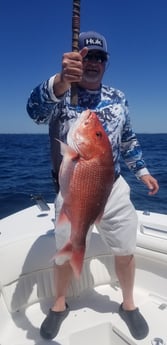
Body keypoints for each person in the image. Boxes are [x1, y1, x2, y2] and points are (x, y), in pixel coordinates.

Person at [27, 31, 159, 340]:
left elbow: (126, 139)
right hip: (74, 188)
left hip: (112, 187)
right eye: (87, 56)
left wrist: (142, 172)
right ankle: (59, 304)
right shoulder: (60, 92)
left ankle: (127, 304)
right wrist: (60, 81)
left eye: (100, 58)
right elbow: (34, 113)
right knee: (63, 252)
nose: (93, 63)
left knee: (126, 249)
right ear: (76, 58)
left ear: (107, 63)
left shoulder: (118, 97)